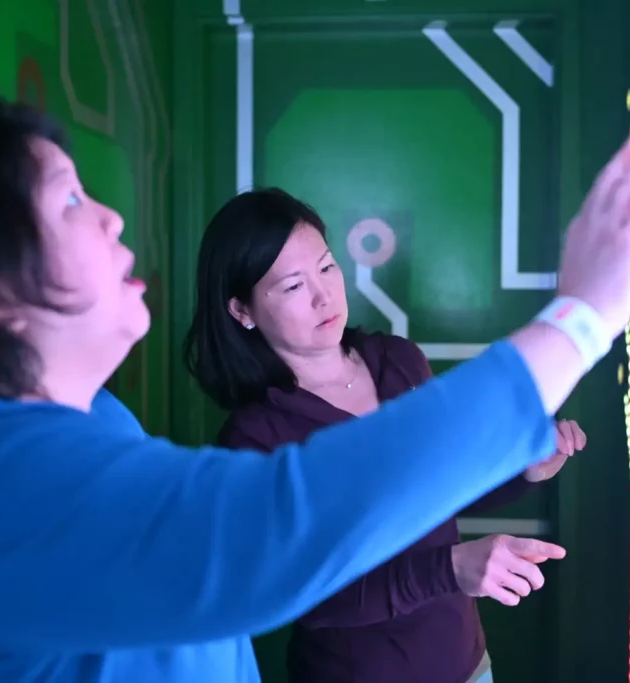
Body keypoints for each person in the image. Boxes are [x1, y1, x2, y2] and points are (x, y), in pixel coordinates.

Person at [0, 99, 630, 683]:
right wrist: (580, 318)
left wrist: (526, 453)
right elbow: (277, 527)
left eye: (324, 271)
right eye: (69, 197)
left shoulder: (92, 417)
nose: (108, 218)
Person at [185, 187, 590, 683]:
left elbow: (443, 488)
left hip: (466, 664)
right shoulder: (256, 437)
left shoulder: (399, 362)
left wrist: (527, 469)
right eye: (292, 286)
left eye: (327, 268)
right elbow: (308, 597)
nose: (323, 295)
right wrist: (449, 569)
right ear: (242, 311)